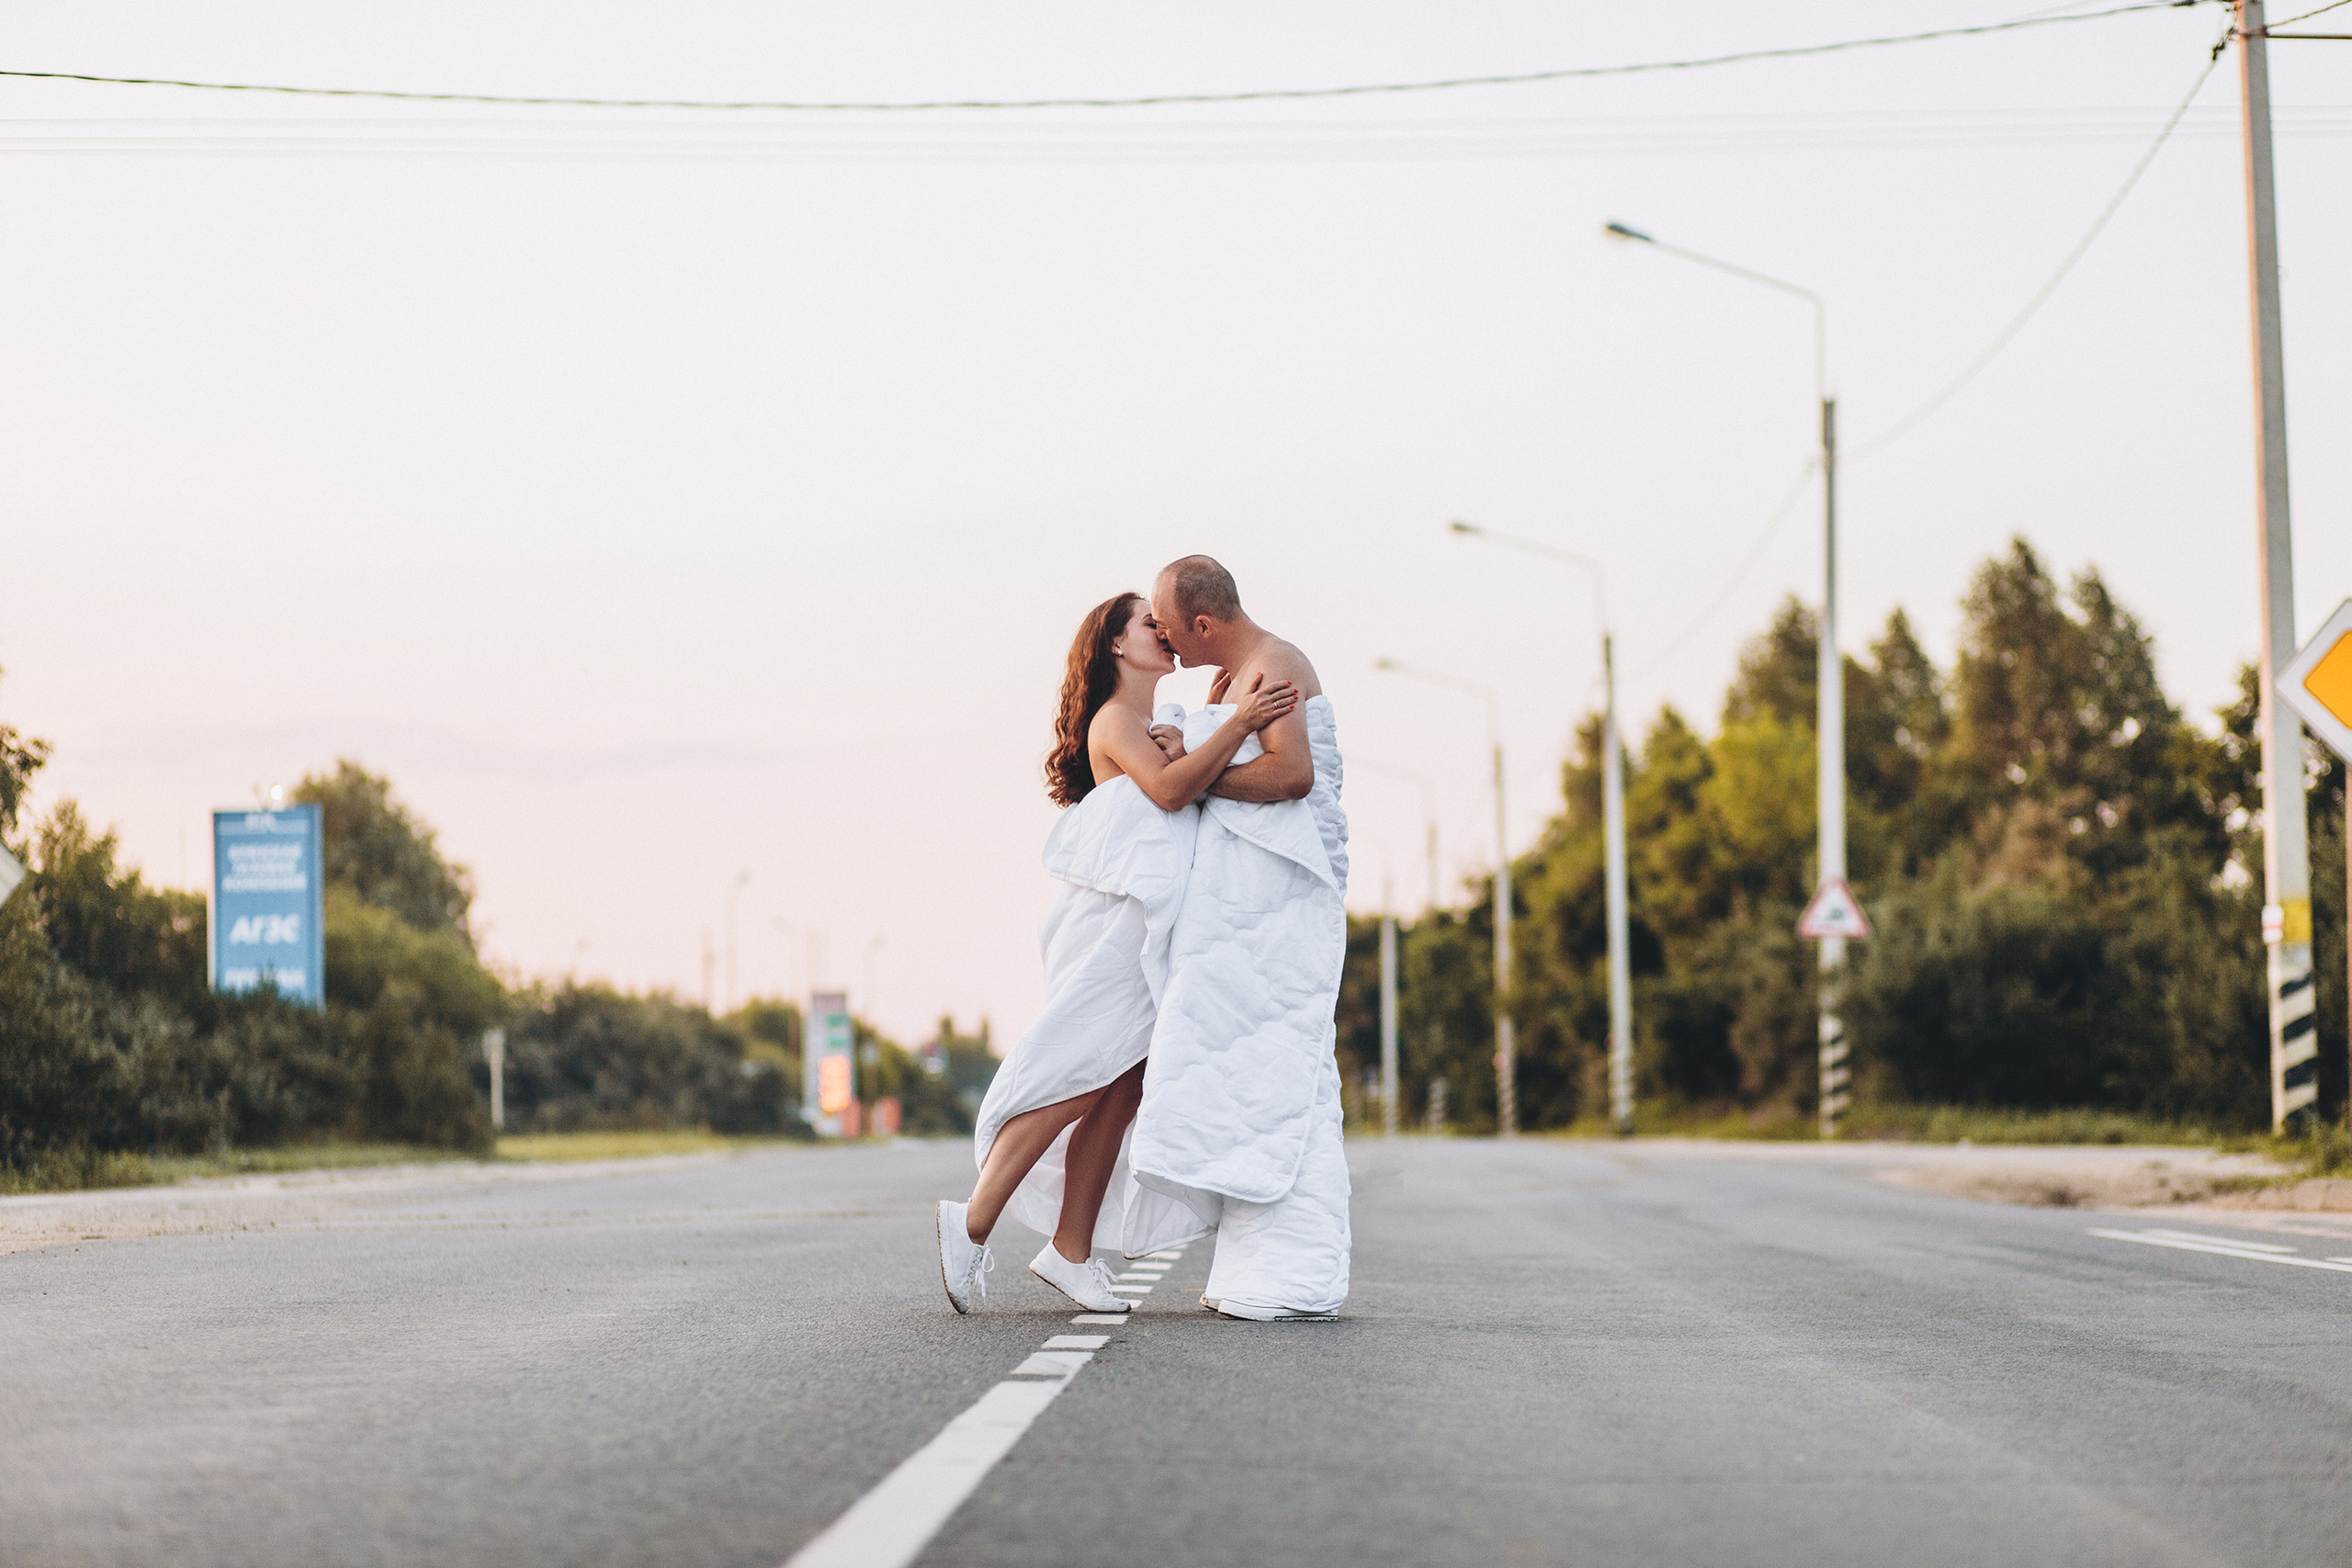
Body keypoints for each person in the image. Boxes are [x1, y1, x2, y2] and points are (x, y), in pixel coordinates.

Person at [936, 591, 1297, 1314]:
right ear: (1115, 645)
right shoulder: (1113, 720)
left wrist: (1208, 719)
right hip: (1116, 930)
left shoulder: (1150, 723)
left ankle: (1070, 1251)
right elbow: (1169, 792)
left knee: (1121, 1088)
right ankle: (970, 1221)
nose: (1162, 631)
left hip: (1147, 928)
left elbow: (1182, 778)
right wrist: (1238, 724)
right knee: (1077, 1078)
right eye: (1146, 624)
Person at [1119, 555, 1353, 1320]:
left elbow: (1292, 777)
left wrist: (1195, 776)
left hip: (1282, 900)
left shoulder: (1274, 666)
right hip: (1236, 908)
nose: (1163, 638)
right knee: (1244, 1077)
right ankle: (1252, 1265)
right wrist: (1190, 750)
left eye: (1167, 626)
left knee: (1287, 1068)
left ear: (1203, 623)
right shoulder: (1226, 682)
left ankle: (1297, 1273)